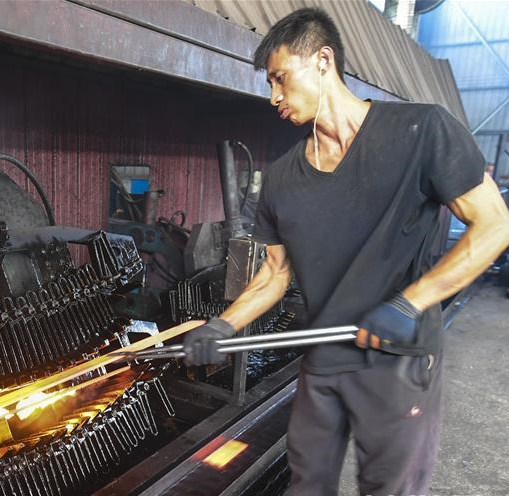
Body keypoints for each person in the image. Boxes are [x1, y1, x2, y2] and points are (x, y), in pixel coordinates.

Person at [181, 7, 509, 496]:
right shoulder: (280, 178)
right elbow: (274, 274)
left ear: (323, 60)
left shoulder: (421, 131)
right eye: (269, 84)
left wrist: (409, 304)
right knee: (306, 484)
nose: (273, 97)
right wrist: (222, 325)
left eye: (279, 78)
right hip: (324, 359)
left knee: (388, 488)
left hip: (398, 361)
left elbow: (494, 225)